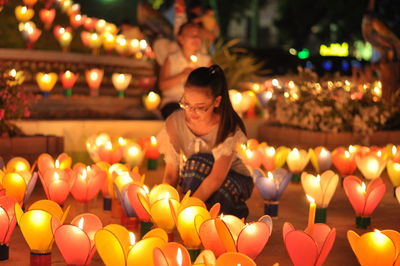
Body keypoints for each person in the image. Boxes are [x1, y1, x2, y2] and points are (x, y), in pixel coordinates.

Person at [156, 65, 254, 218]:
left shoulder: (226, 127)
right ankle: (202, 216)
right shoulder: (175, 122)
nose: (191, 112)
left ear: (216, 102)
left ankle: (230, 216)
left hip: (232, 179)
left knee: (196, 166)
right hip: (196, 176)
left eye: (200, 107)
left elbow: (216, 178)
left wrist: (186, 209)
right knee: (191, 172)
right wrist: (163, 206)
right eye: (186, 104)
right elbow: (171, 173)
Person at [158, 22, 211, 119]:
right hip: (174, 103)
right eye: (192, 35)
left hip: (199, 105)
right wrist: (182, 75)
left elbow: (213, 87)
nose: (196, 39)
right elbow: (162, 86)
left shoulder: (206, 61)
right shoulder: (171, 60)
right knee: (180, 116)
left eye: (198, 36)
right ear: (181, 39)